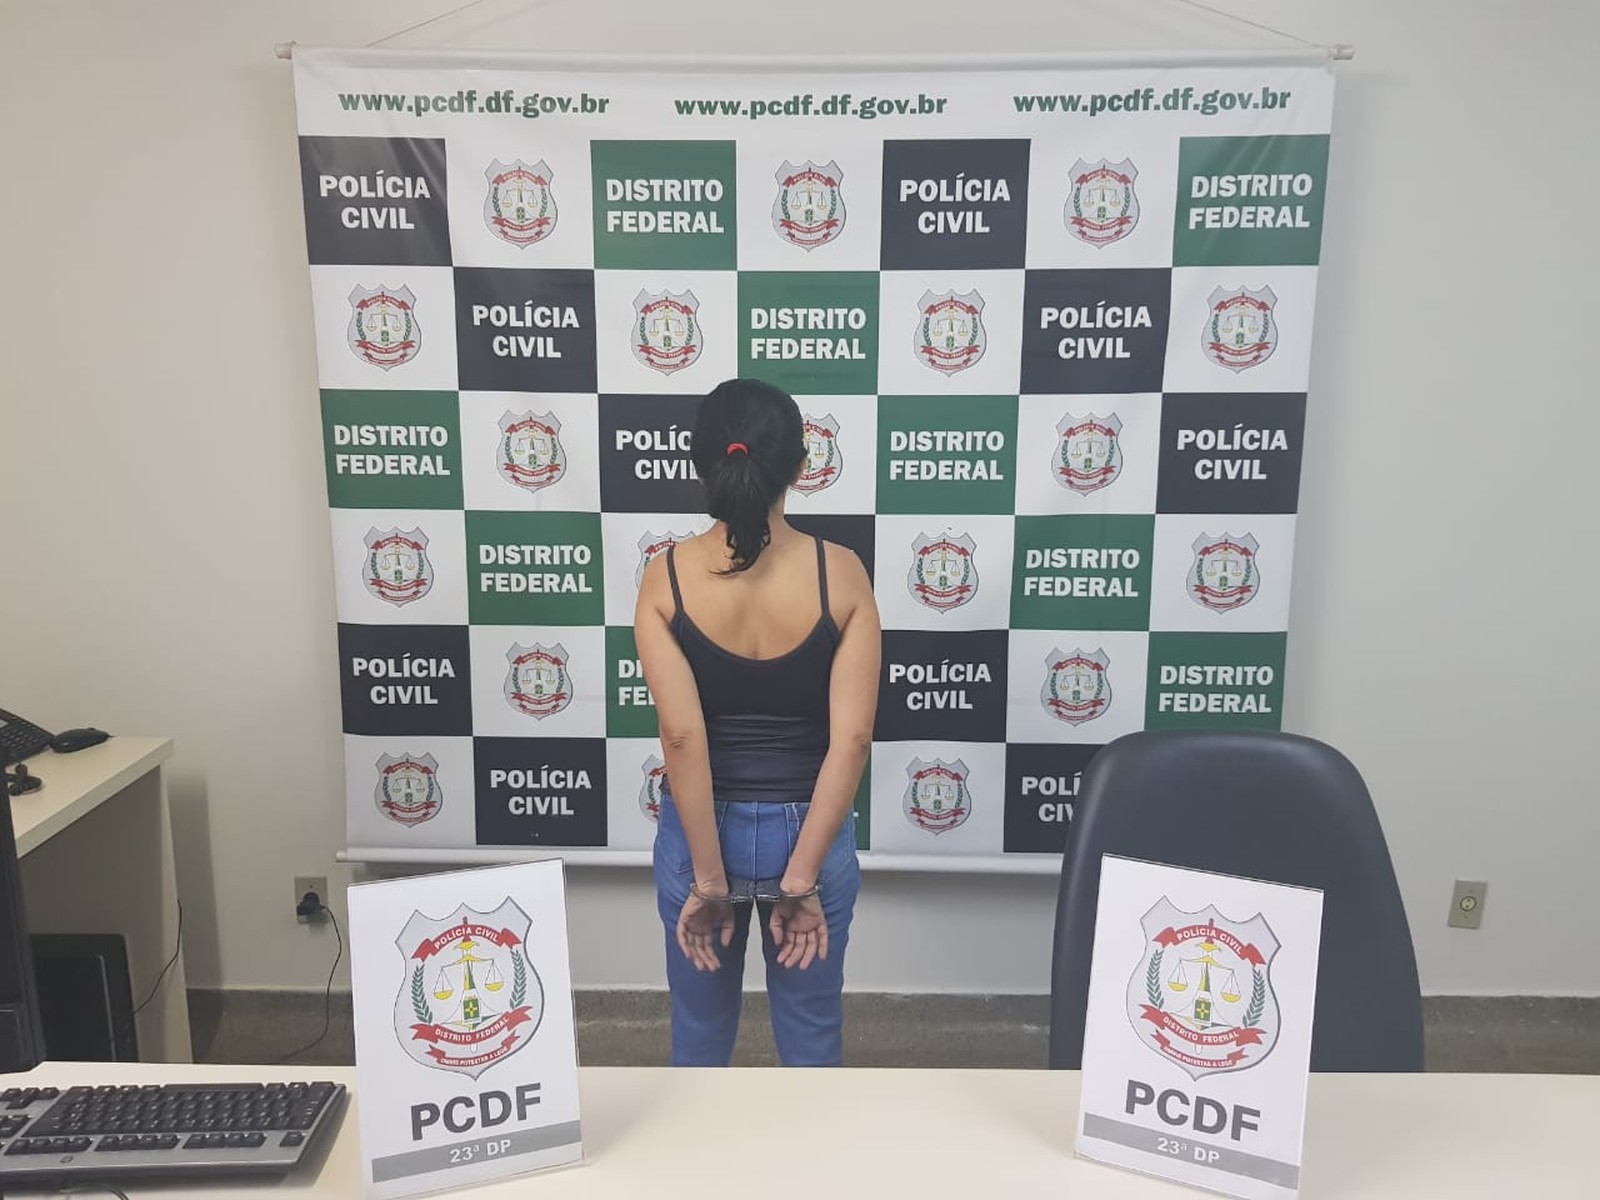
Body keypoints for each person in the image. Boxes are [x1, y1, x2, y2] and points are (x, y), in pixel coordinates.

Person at [634, 378, 880, 1067]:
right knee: (812, 1037)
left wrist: (709, 882)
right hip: (811, 832)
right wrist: (801, 879)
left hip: (698, 835)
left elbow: (682, 740)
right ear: (800, 468)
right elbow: (852, 741)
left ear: (700, 465)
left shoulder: (666, 577)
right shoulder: (842, 574)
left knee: (698, 1036)